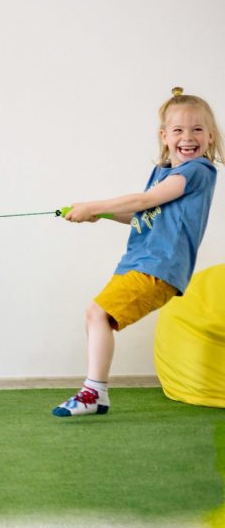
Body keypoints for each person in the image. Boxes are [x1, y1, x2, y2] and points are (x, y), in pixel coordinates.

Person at [53, 87, 221, 417]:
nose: (188, 138)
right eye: (178, 130)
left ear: (211, 136)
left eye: (197, 129)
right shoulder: (163, 173)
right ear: (164, 136)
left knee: (97, 313)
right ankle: (95, 392)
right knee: (97, 316)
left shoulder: (197, 171)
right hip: (139, 262)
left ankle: (94, 393)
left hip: (159, 266)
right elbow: (140, 215)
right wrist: (96, 214)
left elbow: (145, 201)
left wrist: (94, 205)